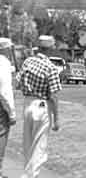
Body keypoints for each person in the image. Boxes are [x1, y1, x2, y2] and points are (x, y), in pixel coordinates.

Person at [16, 48, 62, 178]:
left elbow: (18, 83)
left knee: (28, 144)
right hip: (42, 105)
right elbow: (53, 96)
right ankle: (31, 175)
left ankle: (26, 172)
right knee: (39, 146)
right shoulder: (50, 68)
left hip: (28, 103)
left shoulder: (28, 62)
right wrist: (56, 118)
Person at [0, 44, 16, 178]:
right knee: (1, 135)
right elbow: (4, 92)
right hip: (1, 107)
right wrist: (11, 113)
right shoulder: (3, 63)